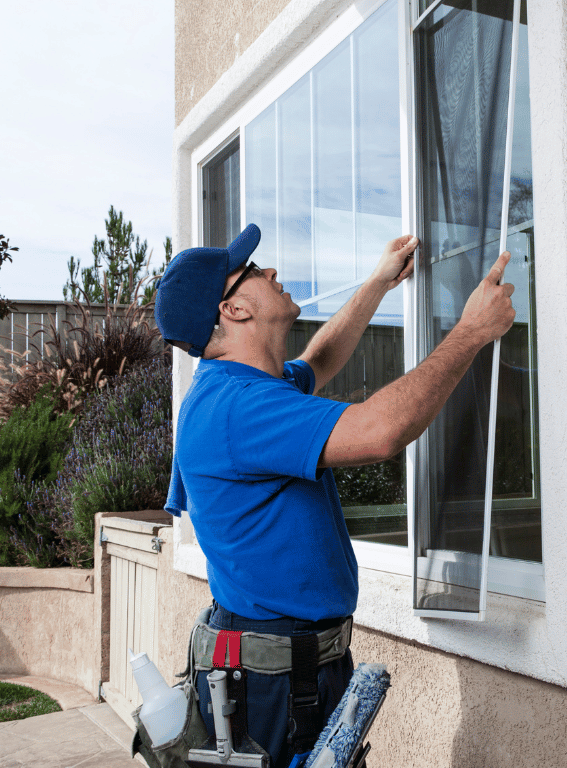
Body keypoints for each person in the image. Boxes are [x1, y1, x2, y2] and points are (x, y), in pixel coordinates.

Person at [153, 223, 515, 768]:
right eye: (252, 271)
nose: (270, 271)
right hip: (271, 685)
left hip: (289, 667)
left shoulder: (250, 388)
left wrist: (377, 283)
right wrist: (470, 331)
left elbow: (319, 361)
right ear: (233, 311)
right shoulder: (238, 411)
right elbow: (379, 432)